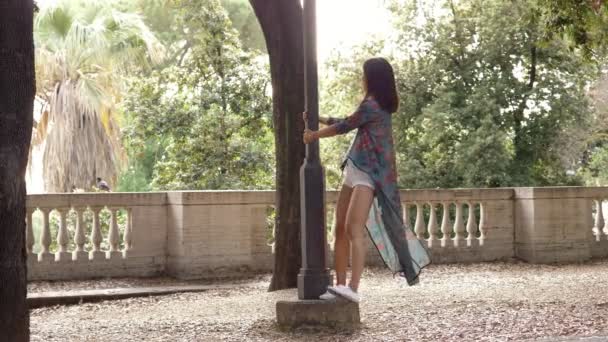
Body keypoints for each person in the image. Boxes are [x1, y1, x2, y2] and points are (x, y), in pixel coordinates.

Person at [302, 57, 431, 303]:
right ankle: (340, 287)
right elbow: (348, 120)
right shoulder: (370, 105)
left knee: (353, 228)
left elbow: (345, 127)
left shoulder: (373, 105)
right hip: (354, 169)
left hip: (369, 176)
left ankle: (353, 288)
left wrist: (313, 135)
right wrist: (319, 119)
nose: (362, 78)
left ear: (372, 78)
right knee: (339, 228)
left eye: (364, 74)